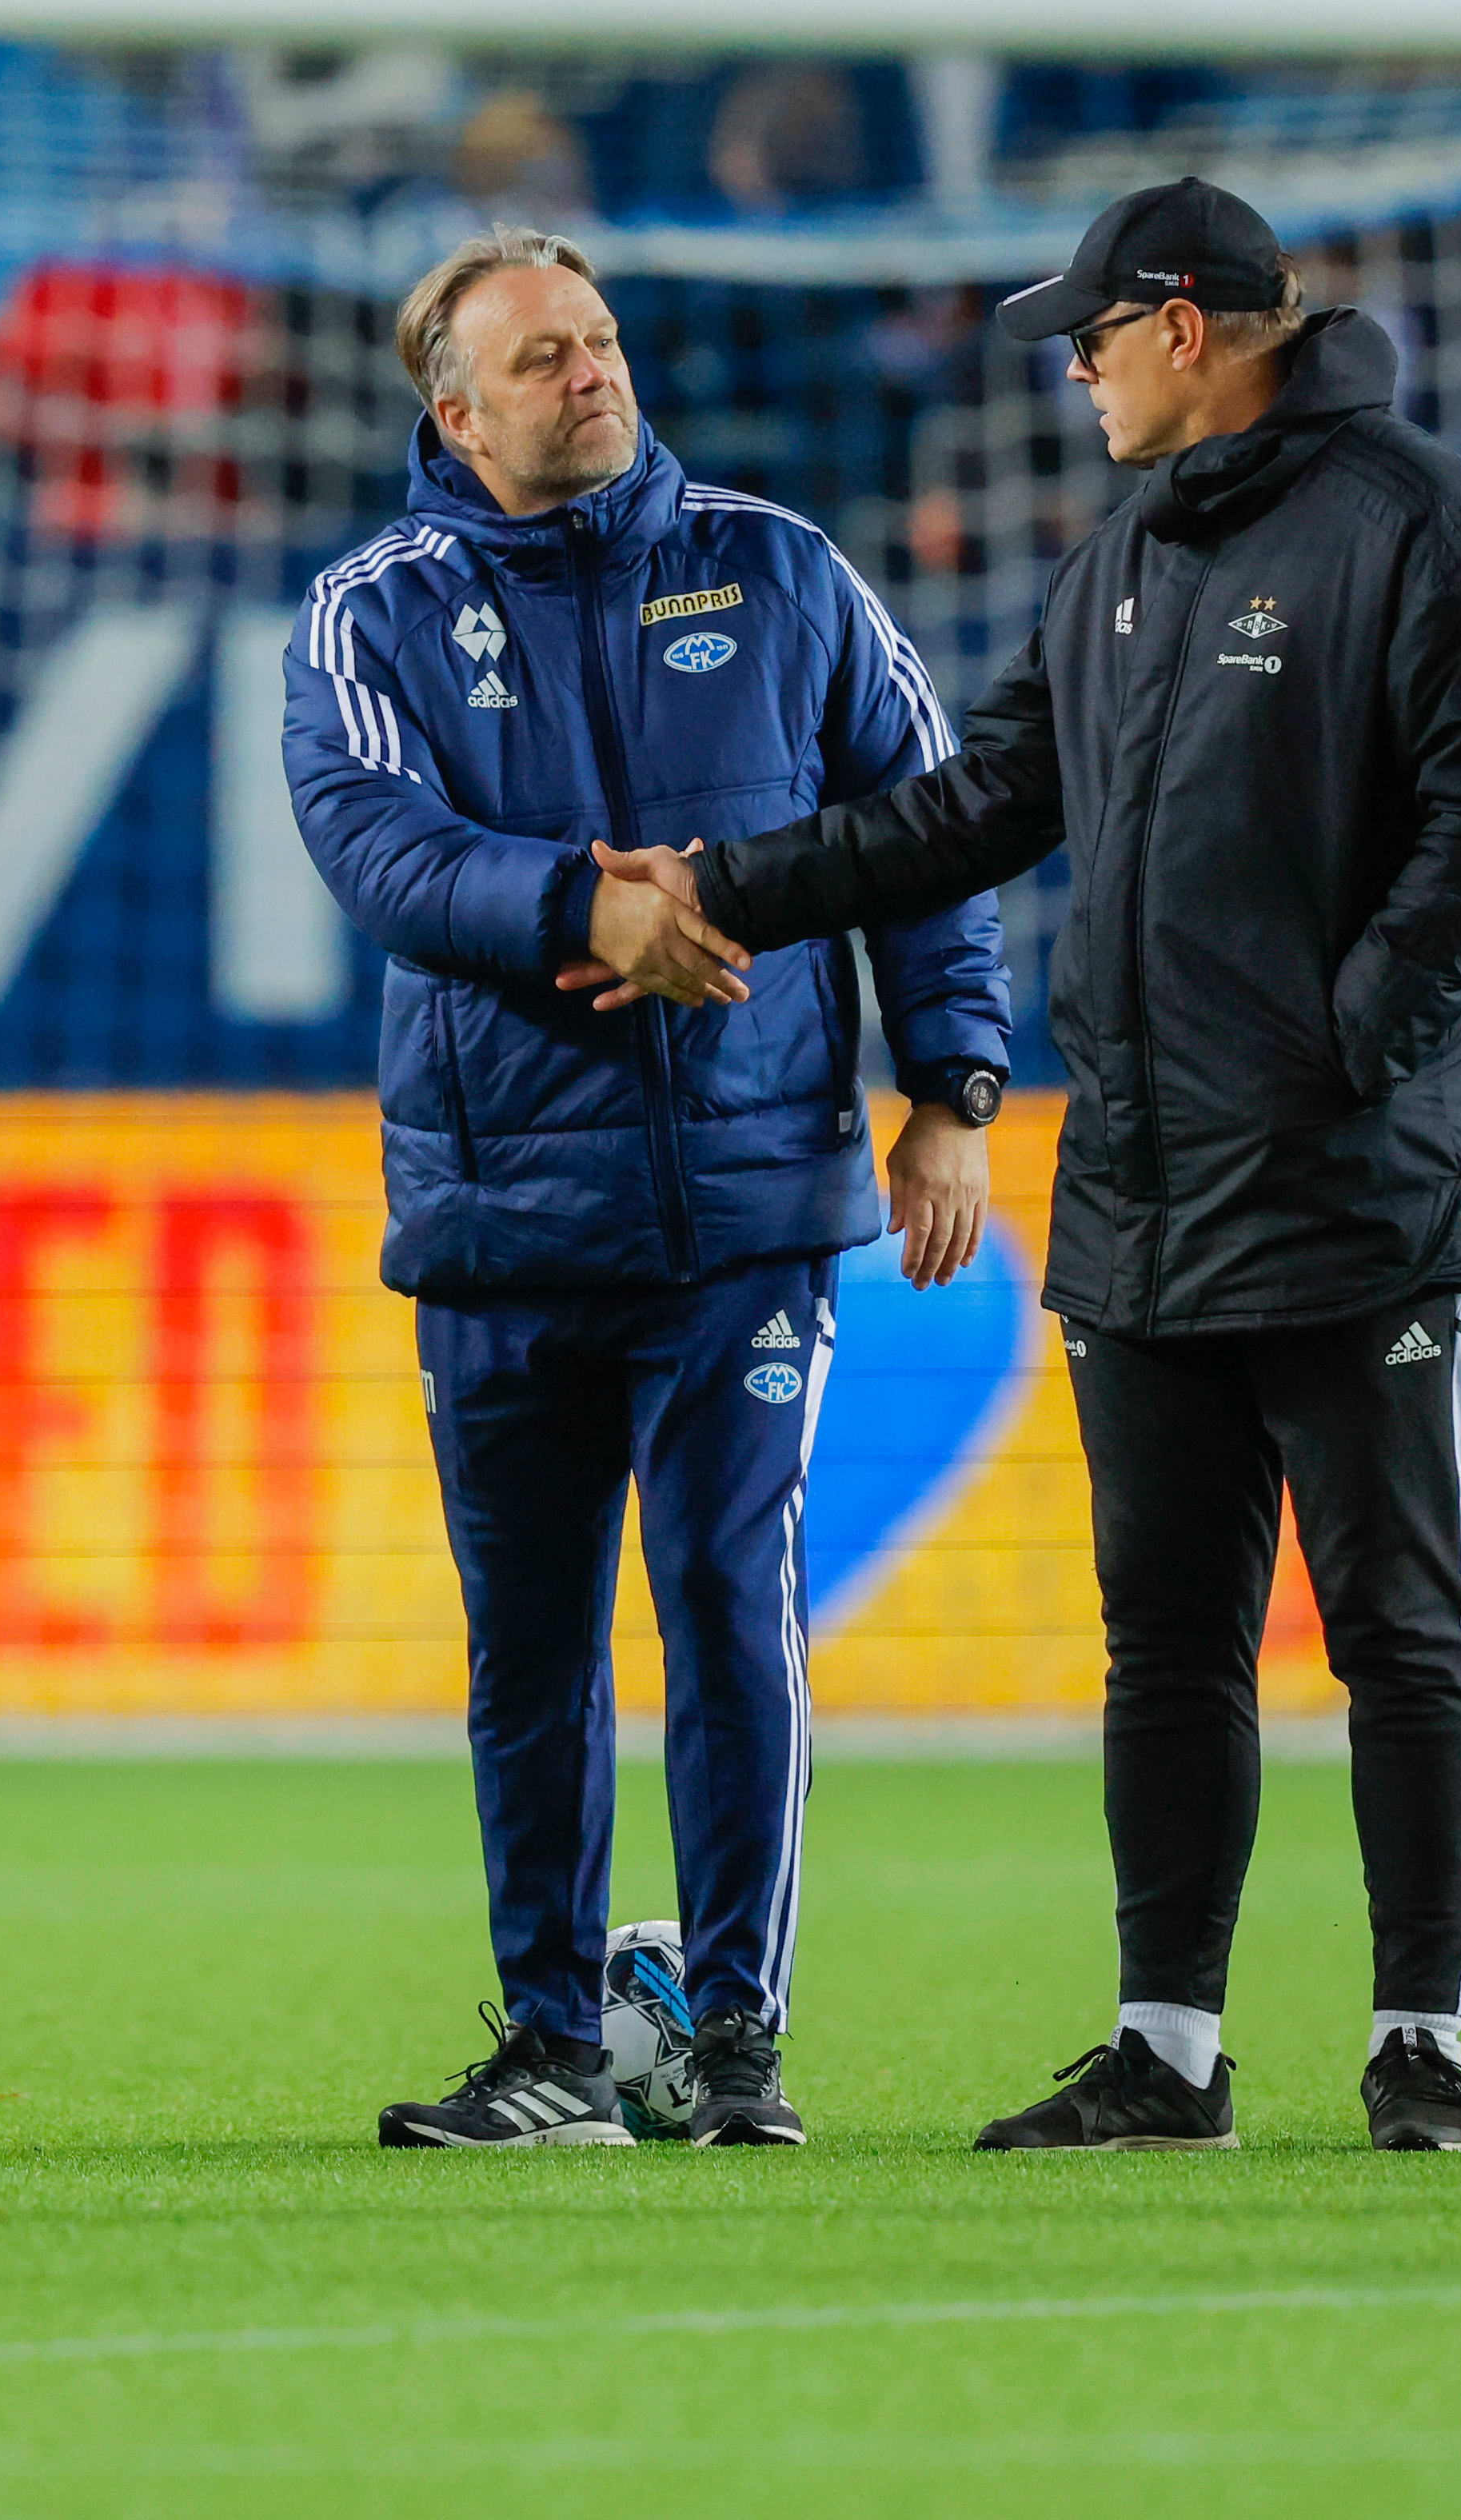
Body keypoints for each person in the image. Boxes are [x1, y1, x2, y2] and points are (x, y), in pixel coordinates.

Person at [589, 178, 1461, 2155]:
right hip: (1142, 1190)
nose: (1075, 371)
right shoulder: (1125, 551)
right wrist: (732, 888)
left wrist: (1339, 1049)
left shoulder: (1420, 522)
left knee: (1399, 1629)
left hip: (1364, 1191)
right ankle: (1167, 2050)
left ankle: (1420, 2046)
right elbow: (978, 803)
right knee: (1167, 1643)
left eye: (1095, 336)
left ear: (1186, 328)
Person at [283, 224, 1010, 2150]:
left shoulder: (781, 570)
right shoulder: (369, 612)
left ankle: (736, 2042)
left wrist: (953, 1085)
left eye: (597, 340)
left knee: (725, 1613)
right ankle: (551, 2047)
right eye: (541, 357)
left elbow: (927, 830)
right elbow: (372, 845)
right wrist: (579, 907)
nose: (591, 371)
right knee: (529, 1656)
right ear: (456, 412)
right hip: (502, 1218)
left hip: (744, 1205)